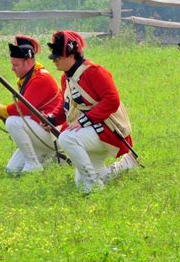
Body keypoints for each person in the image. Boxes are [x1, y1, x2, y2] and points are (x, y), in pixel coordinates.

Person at [45, 30, 139, 192]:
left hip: (108, 130)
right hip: (91, 131)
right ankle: (125, 165)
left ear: (71, 55)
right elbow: (67, 105)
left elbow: (112, 100)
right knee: (80, 184)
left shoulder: (95, 72)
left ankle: (94, 185)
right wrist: (53, 119)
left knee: (66, 138)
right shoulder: (66, 77)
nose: (55, 61)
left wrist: (83, 121)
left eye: (58, 57)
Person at [0, 35, 62, 175]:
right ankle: (45, 158)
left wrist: (2, 111)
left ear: (28, 62)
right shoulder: (29, 76)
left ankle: (34, 164)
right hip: (40, 130)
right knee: (12, 170)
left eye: (15, 65)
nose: (12, 69)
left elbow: (23, 107)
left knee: (13, 122)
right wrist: (0, 112)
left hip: (52, 133)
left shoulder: (41, 78)